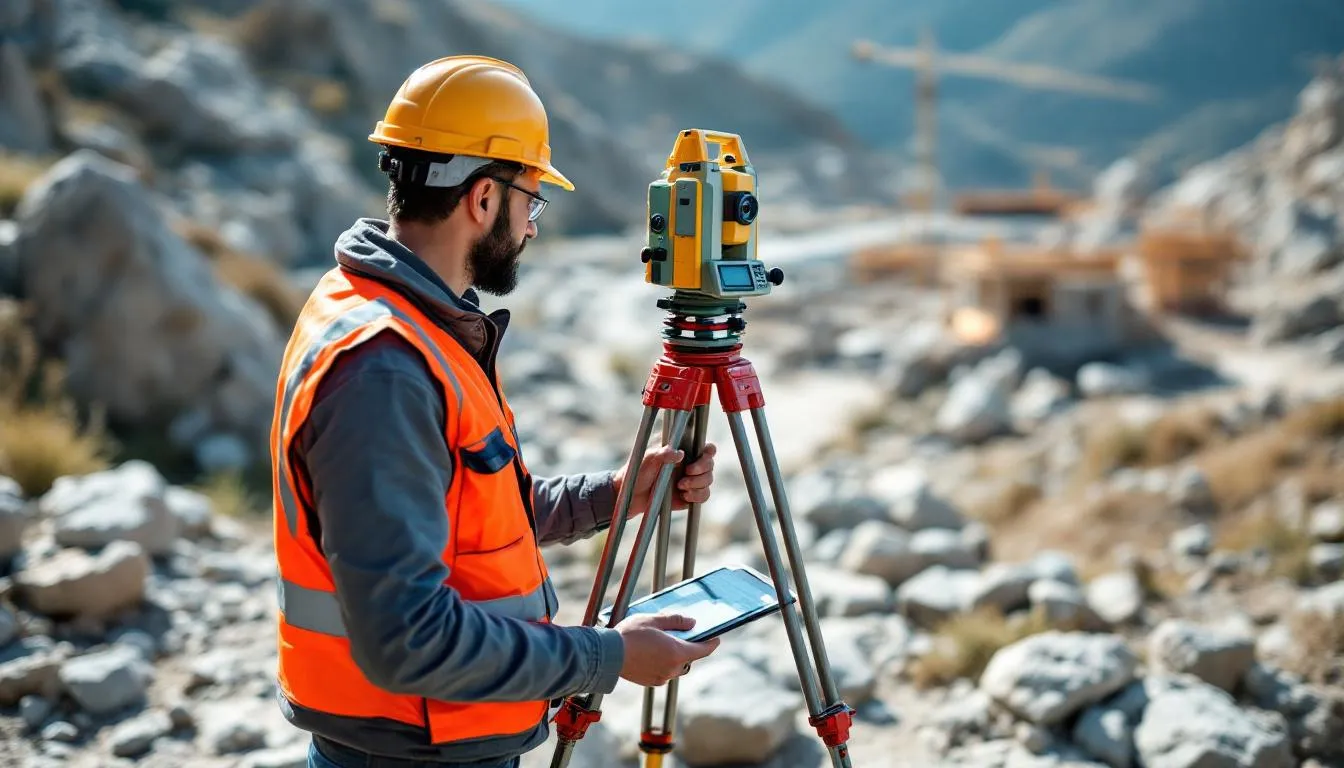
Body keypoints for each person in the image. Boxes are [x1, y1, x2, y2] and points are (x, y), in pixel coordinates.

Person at [268, 55, 723, 768]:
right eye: (530, 203)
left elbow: (466, 522)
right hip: (416, 748)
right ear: (483, 199)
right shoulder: (387, 368)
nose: (533, 228)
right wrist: (609, 656)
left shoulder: (403, 320)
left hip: (433, 738)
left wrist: (615, 496)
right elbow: (407, 638)